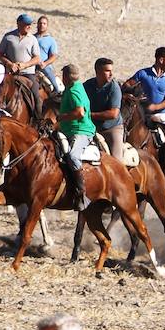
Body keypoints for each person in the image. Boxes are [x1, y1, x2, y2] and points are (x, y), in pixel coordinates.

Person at [127, 47, 165, 166]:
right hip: (142, 114)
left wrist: (155, 107)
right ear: (161, 60)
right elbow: (128, 84)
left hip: (162, 114)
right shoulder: (143, 73)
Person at [55, 64, 94, 209]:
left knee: (72, 156)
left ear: (65, 77)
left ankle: (81, 191)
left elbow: (80, 113)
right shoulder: (71, 89)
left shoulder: (73, 91)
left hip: (81, 131)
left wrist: (61, 117)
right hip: (68, 130)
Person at [84, 57, 124, 161]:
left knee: (116, 162)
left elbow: (113, 114)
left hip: (111, 128)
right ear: (98, 72)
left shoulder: (114, 88)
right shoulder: (87, 85)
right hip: (91, 128)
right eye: (107, 71)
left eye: (111, 71)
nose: (111, 74)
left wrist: (90, 115)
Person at [0, 13, 42, 79]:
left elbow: (37, 58)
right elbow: (0, 54)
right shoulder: (8, 37)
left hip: (28, 73)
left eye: (30, 24)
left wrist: (25, 65)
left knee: (34, 87)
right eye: (27, 24)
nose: (29, 26)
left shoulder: (33, 39)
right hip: (11, 72)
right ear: (19, 24)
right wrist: (9, 64)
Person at [34, 15, 62, 96]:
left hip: (44, 66)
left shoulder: (50, 40)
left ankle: (57, 92)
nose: (42, 25)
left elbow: (54, 56)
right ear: (37, 24)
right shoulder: (31, 37)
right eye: (40, 23)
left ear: (47, 26)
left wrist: (45, 63)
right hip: (31, 64)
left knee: (51, 79)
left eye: (44, 23)